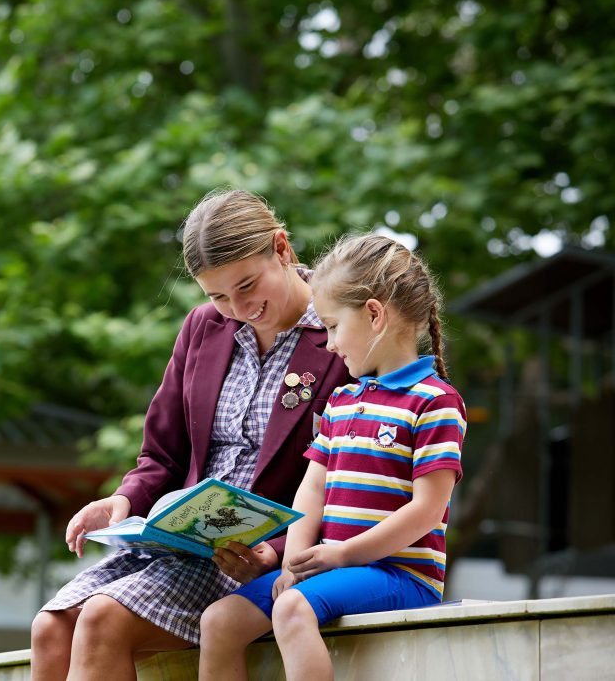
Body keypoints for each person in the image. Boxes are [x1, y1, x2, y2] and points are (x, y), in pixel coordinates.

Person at [30, 189, 351, 681]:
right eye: (218, 296)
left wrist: (279, 551)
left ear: (282, 249)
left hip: (257, 556)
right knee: (49, 627)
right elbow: (161, 453)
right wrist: (124, 501)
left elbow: (355, 474)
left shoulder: (339, 332)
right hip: (180, 542)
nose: (239, 307)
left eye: (247, 285)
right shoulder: (203, 329)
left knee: (101, 619)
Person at [197, 233, 466, 681]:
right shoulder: (341, 401)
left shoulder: (434, 401)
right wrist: (293, 561)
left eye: (334, 326)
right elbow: (313, 486)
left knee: (292, 607)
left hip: (401, 576)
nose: (330, 344)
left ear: (374, 315)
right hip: (333, 570)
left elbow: (426, 511)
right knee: (218, 621)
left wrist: (342, 555)